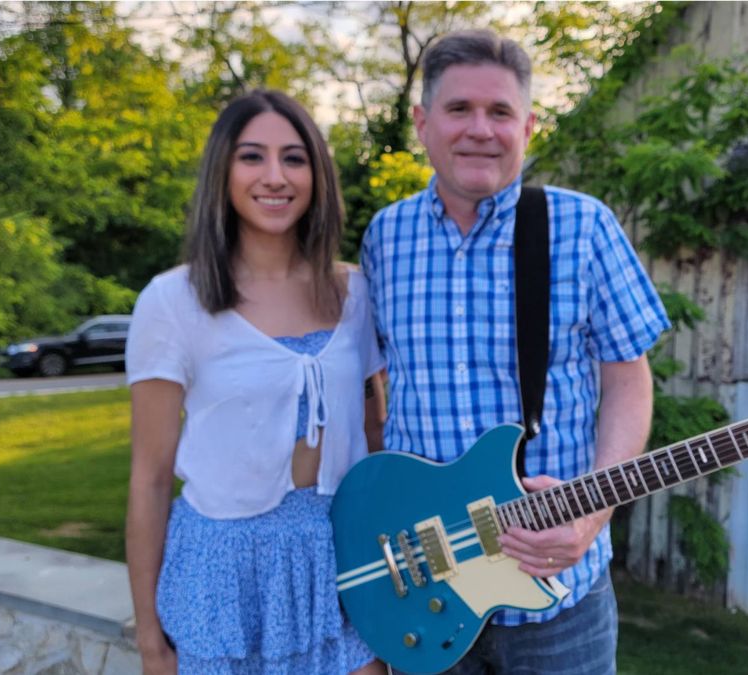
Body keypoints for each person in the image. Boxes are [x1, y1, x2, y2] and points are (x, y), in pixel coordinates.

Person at [359, 30, 670, 674]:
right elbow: (376, 389)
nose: (481, 129)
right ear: (422, 123)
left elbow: (629, 381)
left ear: (528, 125)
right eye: (459, 109)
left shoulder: (582, 227)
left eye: (500, 112)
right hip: (425, 591)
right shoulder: (385, 238)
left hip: (558, 602)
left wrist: (591, 514)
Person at [125, 90, 387, 675]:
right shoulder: (172, 301)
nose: (275, 176)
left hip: (341, 560)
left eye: (294, 158)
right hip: (222, 573)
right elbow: (149, 480)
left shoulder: (359, 293)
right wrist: (149, 639)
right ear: (223, 170)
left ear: (317, 174)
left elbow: (377, 438)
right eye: (252, 157)